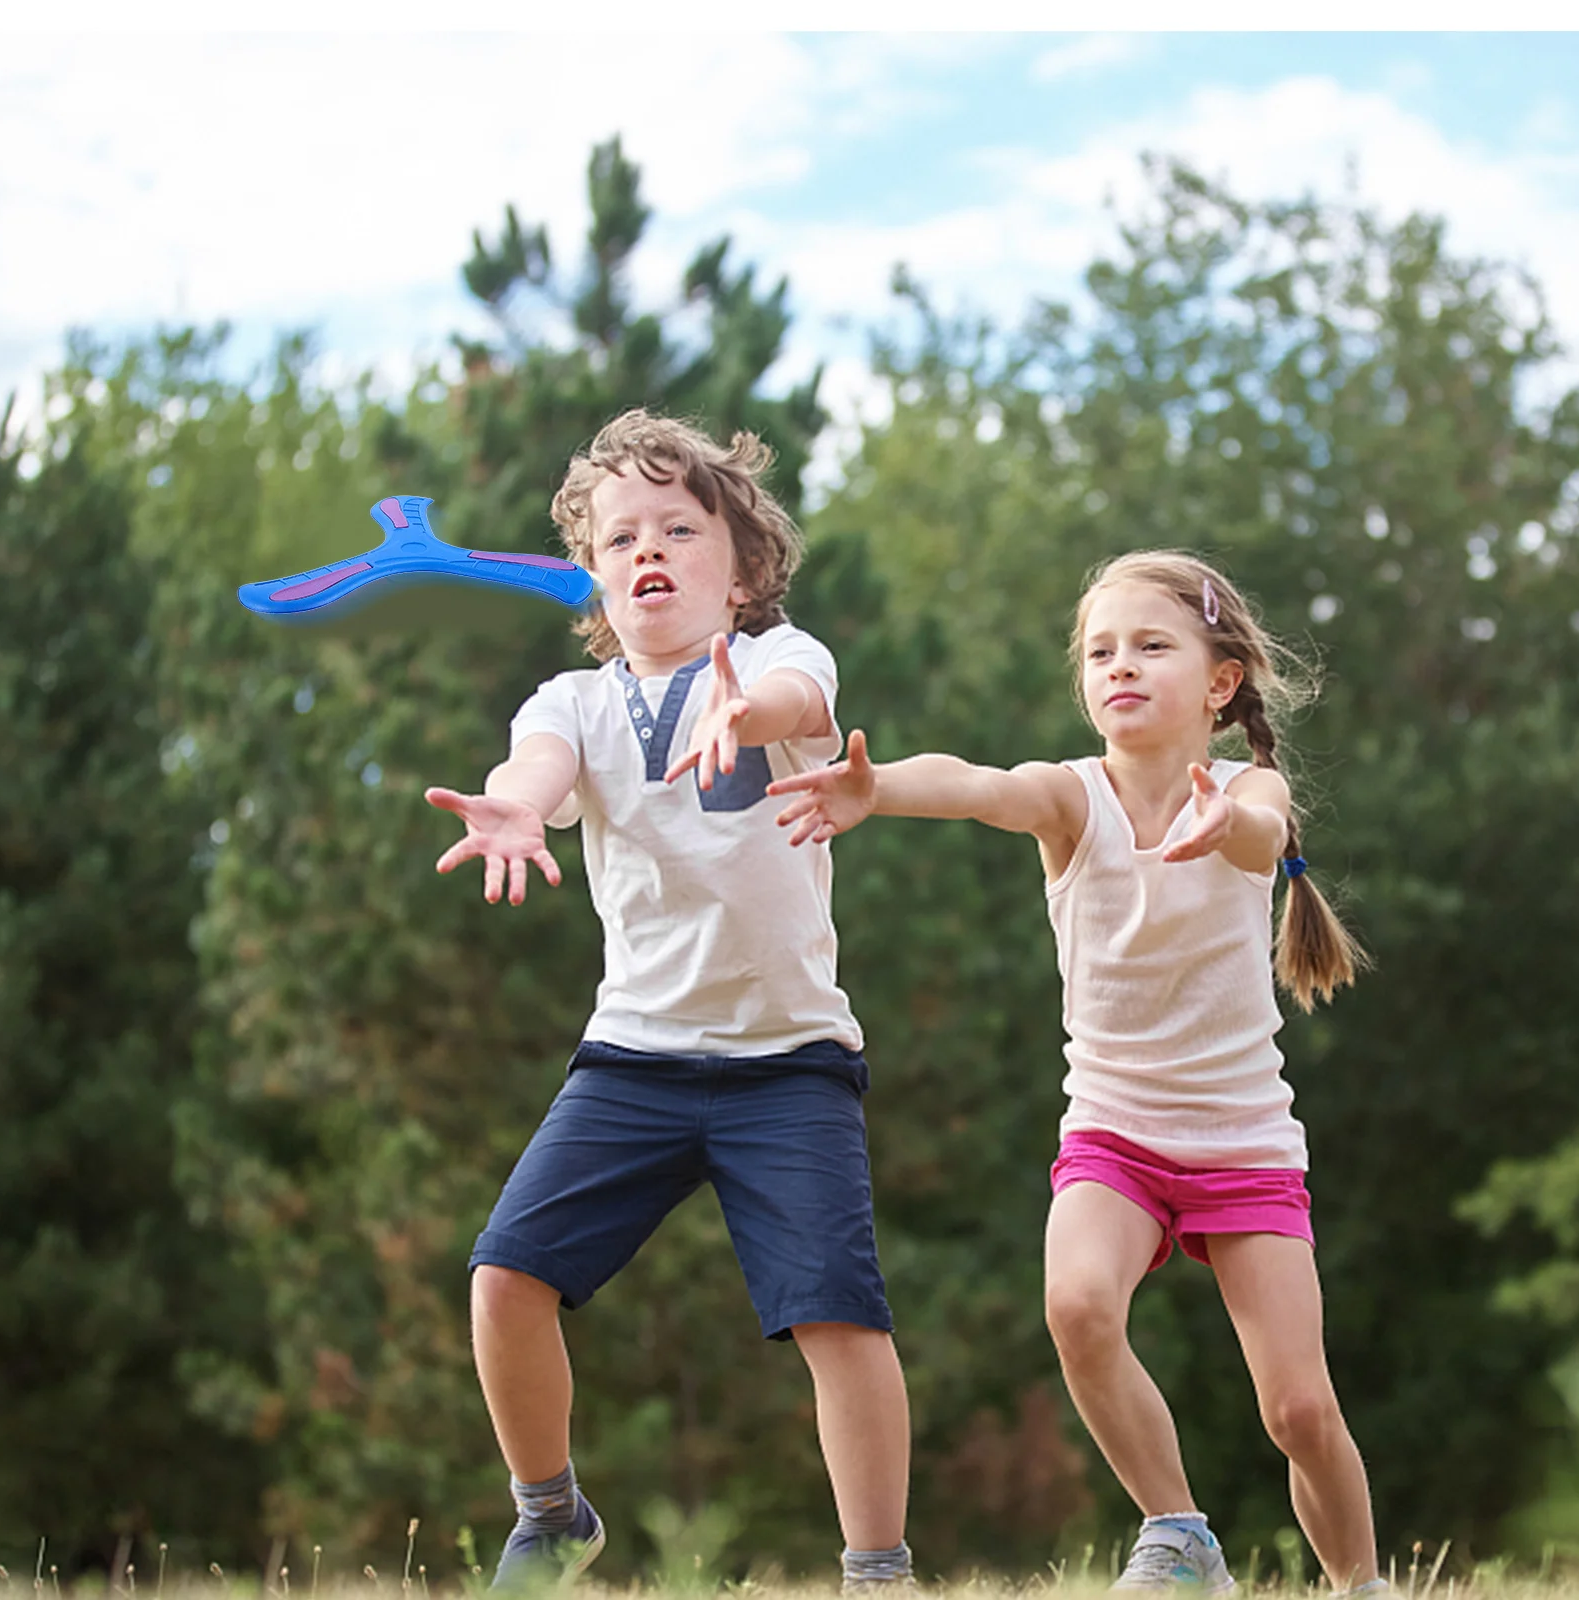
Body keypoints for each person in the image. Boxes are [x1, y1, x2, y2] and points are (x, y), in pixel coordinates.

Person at [769, 550, 1383, 1596]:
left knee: (1299, 1411)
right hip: (1113, 1134)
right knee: (1077, 1306)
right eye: (1100, 651)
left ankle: (1363, 1582)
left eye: (1151, 645)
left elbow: (1262, 831)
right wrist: (878, 788)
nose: (1119, 667)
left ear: (1219, 681)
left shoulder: (1246, 788)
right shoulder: (1071, 797)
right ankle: (1177, 1528)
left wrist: (1221, 822)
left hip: (1242, 1141)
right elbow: (976, 784)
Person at [424, 410, 912, 1591]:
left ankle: (878, 1568)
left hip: (787, 1060)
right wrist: (516, 808)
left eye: (679, 529)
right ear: (594, 573)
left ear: (739, 568)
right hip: (632, 1060)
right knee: (504, 1279)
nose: (649, 549)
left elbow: (799, 700)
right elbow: (532, 769)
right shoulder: (572, 704)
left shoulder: (786, 659)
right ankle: (550, 1516)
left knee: (837, 1320)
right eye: (620, 535)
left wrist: (746, 712)